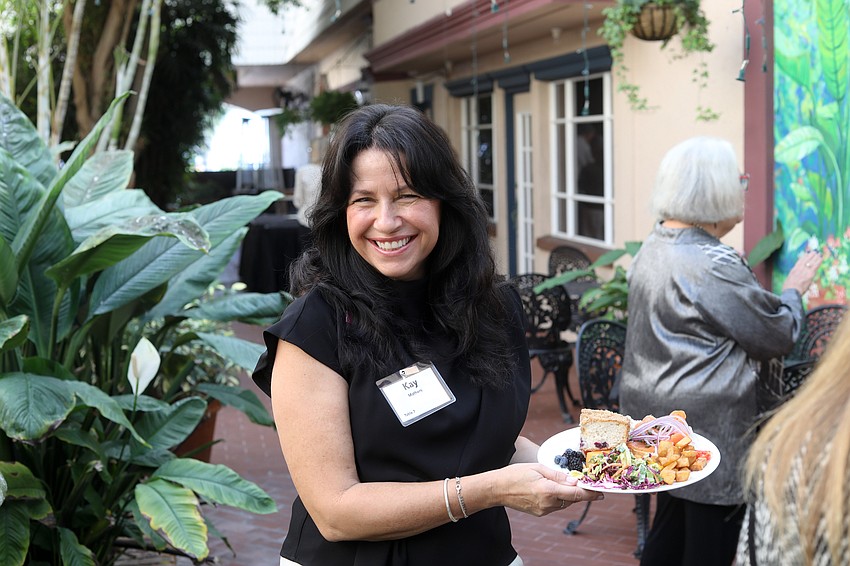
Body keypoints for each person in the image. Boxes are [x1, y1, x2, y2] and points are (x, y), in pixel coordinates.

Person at [251, 103, 601, 566]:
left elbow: (482, 436)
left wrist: (582, 467)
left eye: (407, 195)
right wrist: (489, 490)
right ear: (341, 213)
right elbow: (336, 512)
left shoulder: (493, 307)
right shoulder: (316, 328)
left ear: (444, 202)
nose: (386, 221)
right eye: (363, 200)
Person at [618, 136, 823, 566]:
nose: (743, 189)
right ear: (714, 191)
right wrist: (793, 291)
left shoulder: (655, 245)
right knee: (709, 544)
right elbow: (776, 335)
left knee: (669, 528)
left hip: (659, 420)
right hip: (710, 432)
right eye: (739, 181)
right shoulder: (712, 263)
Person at [736, 312, 850, 565]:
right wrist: (792, 296)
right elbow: (778, 333)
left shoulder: (791, 441)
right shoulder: (805, 448)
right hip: (717, 414)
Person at [293, 159, 322, 229]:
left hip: (305, 219)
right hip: (326, 220)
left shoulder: (302, 171)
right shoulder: (331, 170)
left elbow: (298, 201)